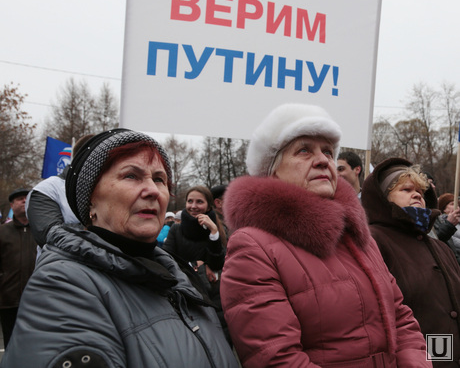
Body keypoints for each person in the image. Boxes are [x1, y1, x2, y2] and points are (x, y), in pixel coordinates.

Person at [0, 129, 238, 368]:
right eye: (131, 176)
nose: (153, 190)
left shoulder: (178, 278)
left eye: (159, 179)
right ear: (90, 198)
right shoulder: (63, 285)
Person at [220, 103, 429, 367]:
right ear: (272, 170)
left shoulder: (357, 235)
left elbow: (401, 317)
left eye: (328, 151)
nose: (323, 160)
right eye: (304, 150)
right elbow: (278, 359)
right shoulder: (252, 247)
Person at [361, 158, 460, 366]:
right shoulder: (372, 241)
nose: (417, 195)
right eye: (406, 189)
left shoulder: (439, 246)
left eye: (421, 192)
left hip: (447, 355)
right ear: (383, 199)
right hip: (409, 357)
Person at [163, 186, 230, 343]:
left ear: (208, 205)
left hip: (214, 294)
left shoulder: (217, 229)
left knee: (221, 340)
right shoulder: (176, 230)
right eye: (190, 201)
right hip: (186, 293)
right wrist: (196, 265)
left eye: (199, 202)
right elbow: (167, 261)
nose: (193, 206)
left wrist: (213, 233)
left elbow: (218, 263)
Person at [26, 134, 94, 255]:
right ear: (83, 157)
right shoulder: (47, 190)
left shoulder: (111, 189)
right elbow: (50, 236)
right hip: (61, 272)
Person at [0, 188, 36, 348]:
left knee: (36, 344)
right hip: (9, 301)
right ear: (12, 205)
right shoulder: (2, 233)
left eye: (27, 198)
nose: (24, 201)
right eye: (20, 199)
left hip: (39, 300)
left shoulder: (42, 230)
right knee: (12, 345)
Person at [433, 193, 460, 265]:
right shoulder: (442, 223)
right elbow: (453, 242)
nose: (456, 206)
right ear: (444, 208)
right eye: (452, 204)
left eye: (457, 204)